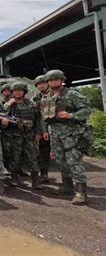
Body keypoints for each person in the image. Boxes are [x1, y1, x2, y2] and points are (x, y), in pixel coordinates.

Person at [42, 69, 91, 205]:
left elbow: (86, 109)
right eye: (50, 80)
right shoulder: (47, 96)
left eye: (55, 79)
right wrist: (45, 130)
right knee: (60, 161)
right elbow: (43, 116)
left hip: (71, 133)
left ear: (62, 80)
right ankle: (67, 187)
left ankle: (81, 193)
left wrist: (71, 115)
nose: (52, 82)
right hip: (55, 134)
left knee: (74, 161)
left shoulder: (72, 94)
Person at [4, 82, 43, 190]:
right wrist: (9, 104)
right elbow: (2, 115)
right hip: (15, 136)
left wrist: (39, 132)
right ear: (12, 92)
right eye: (15, 91)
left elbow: (38, 120)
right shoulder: (9, 104)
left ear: (24, 92)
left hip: (29, 136)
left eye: (20, 91)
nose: (17, 92)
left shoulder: (31, 105)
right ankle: (14, 179)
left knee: (33, 158)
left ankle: (36, 181)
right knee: (15, 158)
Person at [32, 75, 51, 184]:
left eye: (43, 83)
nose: (41, 85)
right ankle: (43, 174)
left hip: (54, 128)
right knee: (42, 151)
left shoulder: (54, 95)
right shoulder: (36, 97)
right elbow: (35, 115)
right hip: (41, 128)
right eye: (39, 84)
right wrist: (39, 131)